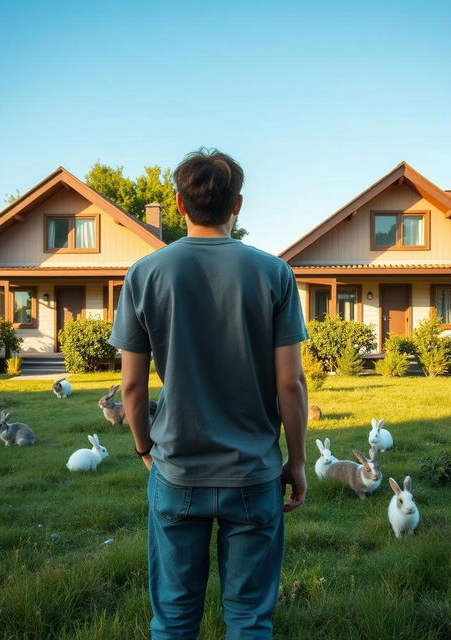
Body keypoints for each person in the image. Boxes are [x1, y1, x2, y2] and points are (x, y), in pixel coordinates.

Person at [109, 148, 308, 639]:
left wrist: (143, 448)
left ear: (179, 204)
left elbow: (131, 386)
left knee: (174, 619)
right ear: (237, 205)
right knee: (248, 618)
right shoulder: (274, 273)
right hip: (254, 475)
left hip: (176, 472)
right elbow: (290, 383)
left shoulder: (145, 274)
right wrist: (297, 462)